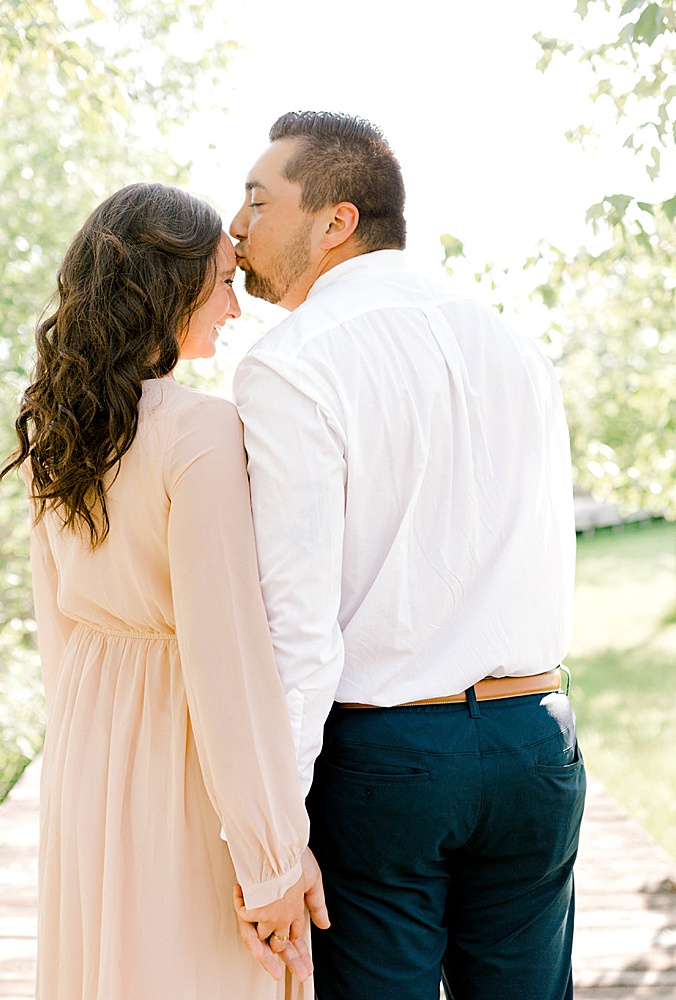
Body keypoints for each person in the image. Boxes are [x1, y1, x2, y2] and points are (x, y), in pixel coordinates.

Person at [229, 111, 583, 1000]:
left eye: (257, 200)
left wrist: (274, 833)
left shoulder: (292, 362)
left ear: (336, 220)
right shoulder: (516, 345)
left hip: (388, 759)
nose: (236, 225)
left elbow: (297, 629)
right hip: (535, 739)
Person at [5, 182, 328, 1000]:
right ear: (165, 289)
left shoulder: (57, 426)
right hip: (181, 751)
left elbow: (57, 626)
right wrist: (271, 858)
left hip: (87, 739)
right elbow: (227, 658)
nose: (234, 304)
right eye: (222, 281)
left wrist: (81, 741)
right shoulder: (200, 430)